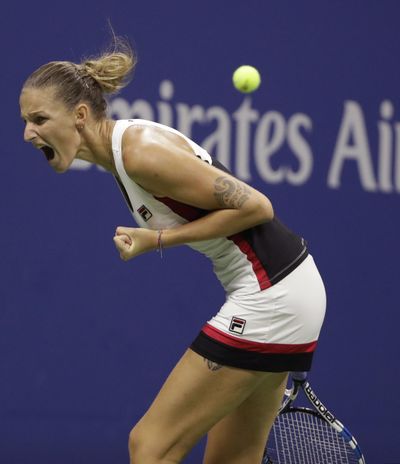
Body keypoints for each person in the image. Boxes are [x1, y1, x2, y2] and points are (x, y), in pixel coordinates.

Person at [19, 38, 326, 464]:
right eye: (25, 120)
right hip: (288, 290)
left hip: (271, 294)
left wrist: (158, 240)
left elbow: (258, 207)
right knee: (231, 458)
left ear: (80, 115)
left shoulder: (139, 152)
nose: (27, 132)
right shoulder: (121, 158)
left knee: (150, 445)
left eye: (39, 119)